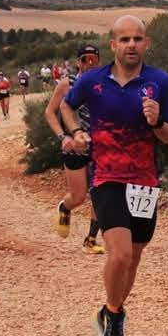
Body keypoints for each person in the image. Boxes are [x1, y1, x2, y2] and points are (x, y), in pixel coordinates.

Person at [60, 16, 168, 336]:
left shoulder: (161, 83)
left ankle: (110, 309)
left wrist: (156, 121)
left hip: (144, 181)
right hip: (106, 176)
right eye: (124, 39)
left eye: (137, 39)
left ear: (147, 43)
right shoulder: (92, 80)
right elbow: (68, 107)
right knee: (120, 254)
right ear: (112, 45)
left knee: (134, 257)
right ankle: (114, 315)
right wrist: (75, 132)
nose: (131, 45)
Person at [46, 44, 105, 255]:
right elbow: (50, 113)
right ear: (78, 62)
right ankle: (65, 207)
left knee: (100, 193)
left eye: (94, 59)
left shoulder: (106, 83)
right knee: (79, 196)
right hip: (74, 147)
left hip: (99, 146)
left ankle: (91, 239)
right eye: (85, 60)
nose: (90, 64)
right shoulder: (67, 84)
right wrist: (63, 137)